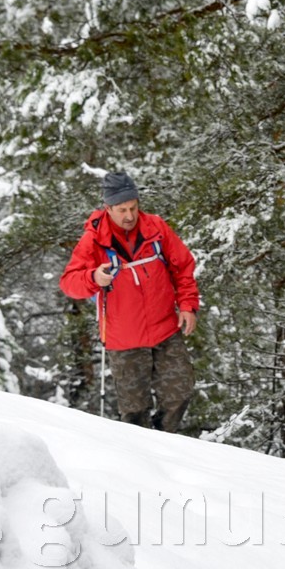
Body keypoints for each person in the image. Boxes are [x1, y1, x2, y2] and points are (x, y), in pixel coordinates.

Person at [60, 171, 200, 433]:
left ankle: (165, 443)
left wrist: (188, 305)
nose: (129, 215)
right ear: (108, 208)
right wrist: (93, 278)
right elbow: (69, 282)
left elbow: (183, 266)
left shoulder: (156, 229)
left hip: (165, 331)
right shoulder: (93, 240)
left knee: (180, 394)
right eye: (122, 209)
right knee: (135, 413)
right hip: (124, 340)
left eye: (133, 207)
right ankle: (141, 462)